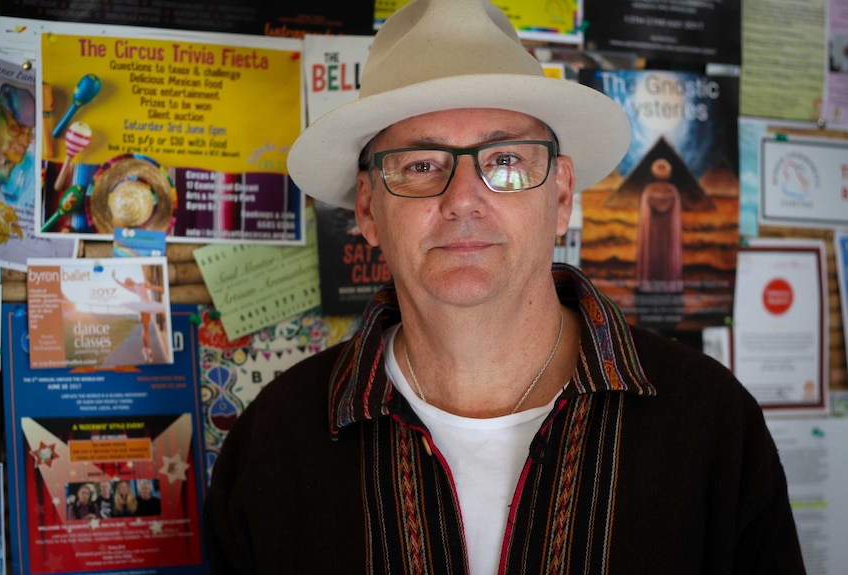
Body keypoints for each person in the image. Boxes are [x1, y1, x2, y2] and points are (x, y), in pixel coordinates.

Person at [204, 0, 806, 573]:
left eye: (506, 162)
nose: (464, 199)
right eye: (420, 165)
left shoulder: (711, 426)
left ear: (562, 195)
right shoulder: (274, 444)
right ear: (367, 208)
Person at [112, 269, 165, 363]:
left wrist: (160, 288)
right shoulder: (132, 288)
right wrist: (114, 278)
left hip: (149, 305)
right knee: (146, 330)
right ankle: (148, 351)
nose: (127, 282)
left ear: (131, 279)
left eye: (128, 280)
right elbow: (121, 284)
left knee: (146, 329)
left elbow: (151, 287)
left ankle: (145, 350)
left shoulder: (141, 284)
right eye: (127, 282)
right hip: (143, 306)